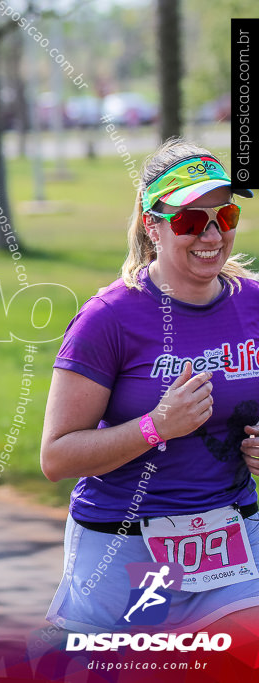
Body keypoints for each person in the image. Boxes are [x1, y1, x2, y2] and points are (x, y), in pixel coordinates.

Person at [41, 138, 259, 634]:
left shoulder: (254, 304)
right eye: (188, 220)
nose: (210, 234)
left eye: (223, 217)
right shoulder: (109, 318)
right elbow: (56, 457)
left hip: (233, 542)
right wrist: (156, 426)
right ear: (152, 225)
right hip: (121, 550)